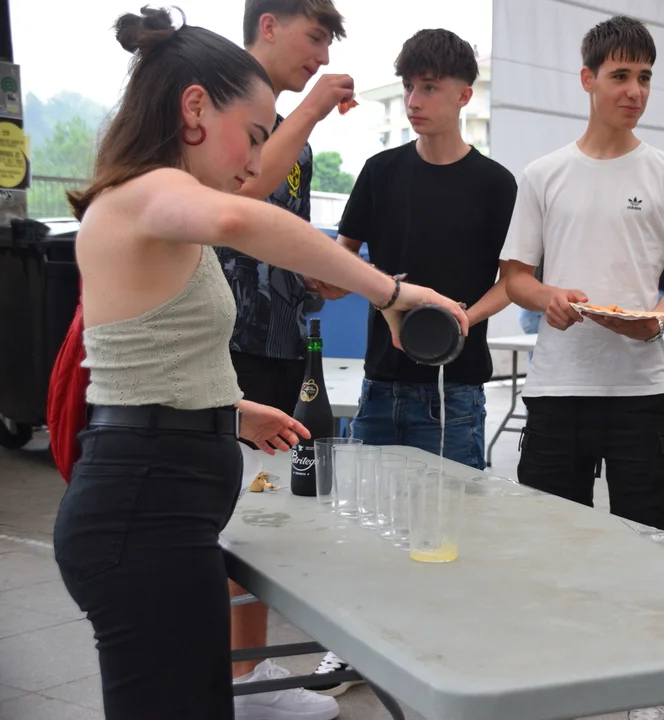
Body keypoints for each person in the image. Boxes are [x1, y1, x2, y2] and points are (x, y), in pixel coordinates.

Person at [51, 9, 469, 719]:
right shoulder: (144, 194)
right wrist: (391, 293)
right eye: (252, 135)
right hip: (144, 511)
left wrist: (231, 409)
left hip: (161, 502)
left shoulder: (156, 212)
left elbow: (146, 351)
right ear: (193, 108)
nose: (254, 163)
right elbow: (241, 219)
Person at [501, 14, 664, 534]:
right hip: (558, 386)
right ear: (588, 79)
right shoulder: (544, 174)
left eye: (645, 77)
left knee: (647, 534)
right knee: (554, 537)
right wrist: (549, 297)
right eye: (621, 76)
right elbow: (516, 277)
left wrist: (655, 321)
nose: (635, 91)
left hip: (639, 389)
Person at [215, 1, 357, 713]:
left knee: (266, 516)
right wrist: (309, 112)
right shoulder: (223, 100)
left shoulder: (290, 134)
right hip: (226, 347)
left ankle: (247, 679)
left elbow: (274, 232)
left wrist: (316, 276)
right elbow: (240, 199)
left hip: (283, 344)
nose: (323, 58)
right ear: (268, 24)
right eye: (315, 37)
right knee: (227, 516)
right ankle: (227, 681)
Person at [333, 29, 516, 471]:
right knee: (371, 510)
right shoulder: (380, 171)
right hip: (380, 383)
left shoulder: (495, 184)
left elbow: (513, 281)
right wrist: (383, 295)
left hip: (455, 392)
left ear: (464, 95)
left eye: (429, 88)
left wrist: (461, 319)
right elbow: (341, 258)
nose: (413, 101)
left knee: (452, 513)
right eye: (408, 87)